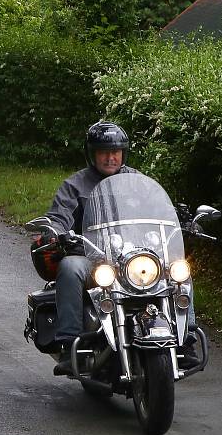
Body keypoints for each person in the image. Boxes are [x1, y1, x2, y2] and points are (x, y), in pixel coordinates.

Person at [38, 121, 197, 375]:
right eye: (104, 151)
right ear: (92, 153)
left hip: (136, 258)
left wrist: (181, 220)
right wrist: (56, 233)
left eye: (116, 151)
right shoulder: (74, 186)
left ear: (124, 153)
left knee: (180, 268)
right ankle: (69, 344)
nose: (111, 157)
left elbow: (161, 210)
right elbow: (58, 217)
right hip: (93, 258)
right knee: (69, 266)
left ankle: (186, 338)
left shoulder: (138, 182)